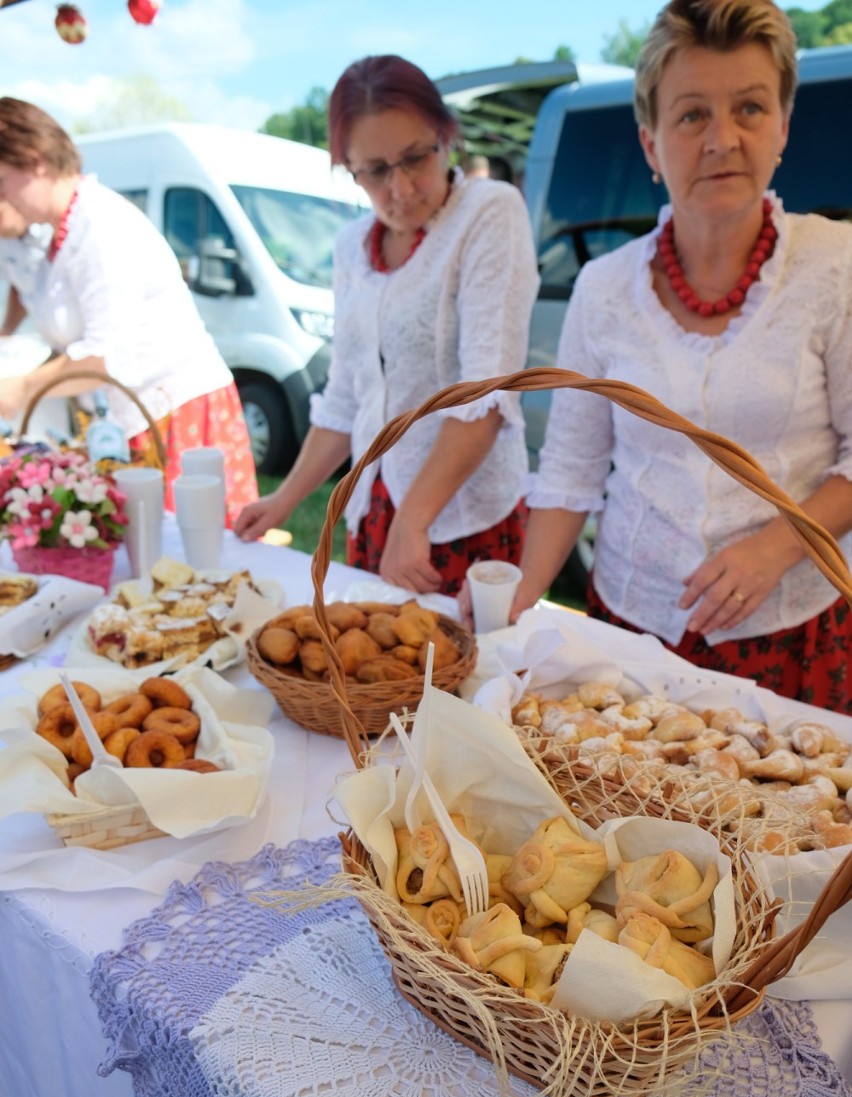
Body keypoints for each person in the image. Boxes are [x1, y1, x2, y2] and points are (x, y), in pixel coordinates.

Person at [513, 0, 852, 713]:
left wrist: (776, 546)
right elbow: (571, 472)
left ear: (784, 127)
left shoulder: (836, 267)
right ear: (650, 144)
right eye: (692, 114)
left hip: (792, 634)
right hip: (633, 633)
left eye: (750, 109)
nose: (722, 139)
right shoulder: (603, 289)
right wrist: (514, 606)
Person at [235, 55, 539, 597]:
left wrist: (415, 520)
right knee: (372, 671)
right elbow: (348, 397)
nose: (400, 189)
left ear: (447, 138)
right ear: (348, 167)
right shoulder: (352, 246)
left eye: (416, 158)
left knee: (459, 674)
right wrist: (284, 500)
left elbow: (485, 394)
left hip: (459, 515)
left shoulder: (488, 213)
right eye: (374, 170)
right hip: (377, 508)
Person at [0, 98, 259, 524]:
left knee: (196, 566)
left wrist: (23, 388)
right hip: (133, 422)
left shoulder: (100, 225)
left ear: (35, 162)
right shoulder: (63, 235)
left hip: (175, 419)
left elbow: (106, 358)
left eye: (1, 181)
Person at [0, 199, 51, 337]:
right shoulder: (5, 242)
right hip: (51, 339)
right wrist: (6, 333)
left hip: (84, 339)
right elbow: (19, 286)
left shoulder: (50, 230)